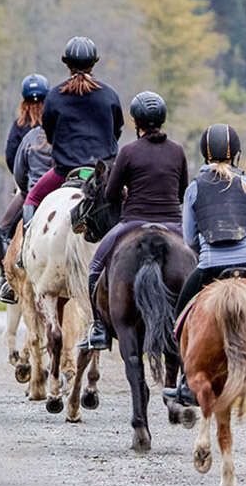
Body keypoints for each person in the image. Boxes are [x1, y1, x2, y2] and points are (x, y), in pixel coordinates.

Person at [159, 124, 246, 404]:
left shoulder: (193, 189)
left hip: (210, 265)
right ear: (236, 155)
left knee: (179, 322)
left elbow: (189, 237)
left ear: (204, 154)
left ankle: (185, 382)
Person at [78, 91, 188, 350]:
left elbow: (111, 194)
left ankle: (99, 328)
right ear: (162, 119)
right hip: (173, 223)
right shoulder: (178, 151)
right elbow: (182, 192)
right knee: (200, 267)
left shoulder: (128, 152)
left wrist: (127, 192)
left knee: (95, 267)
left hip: (133, 222)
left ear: (136, 122)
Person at [24, 36, 122, 212]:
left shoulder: (54, 96)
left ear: (66, 63)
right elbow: (116, 132)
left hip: (64, 172)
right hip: (104, 174)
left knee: (32, 199)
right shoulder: (110, 95)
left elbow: (50, 134)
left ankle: (26, 239)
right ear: (94, 63)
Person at [0, 74, 49, 304]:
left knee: (4, 228)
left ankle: (7, 280)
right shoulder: (56, 122)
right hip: (59, 184)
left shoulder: (19, 126)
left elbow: (11, 159)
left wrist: (22, 185)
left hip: (30, 189)